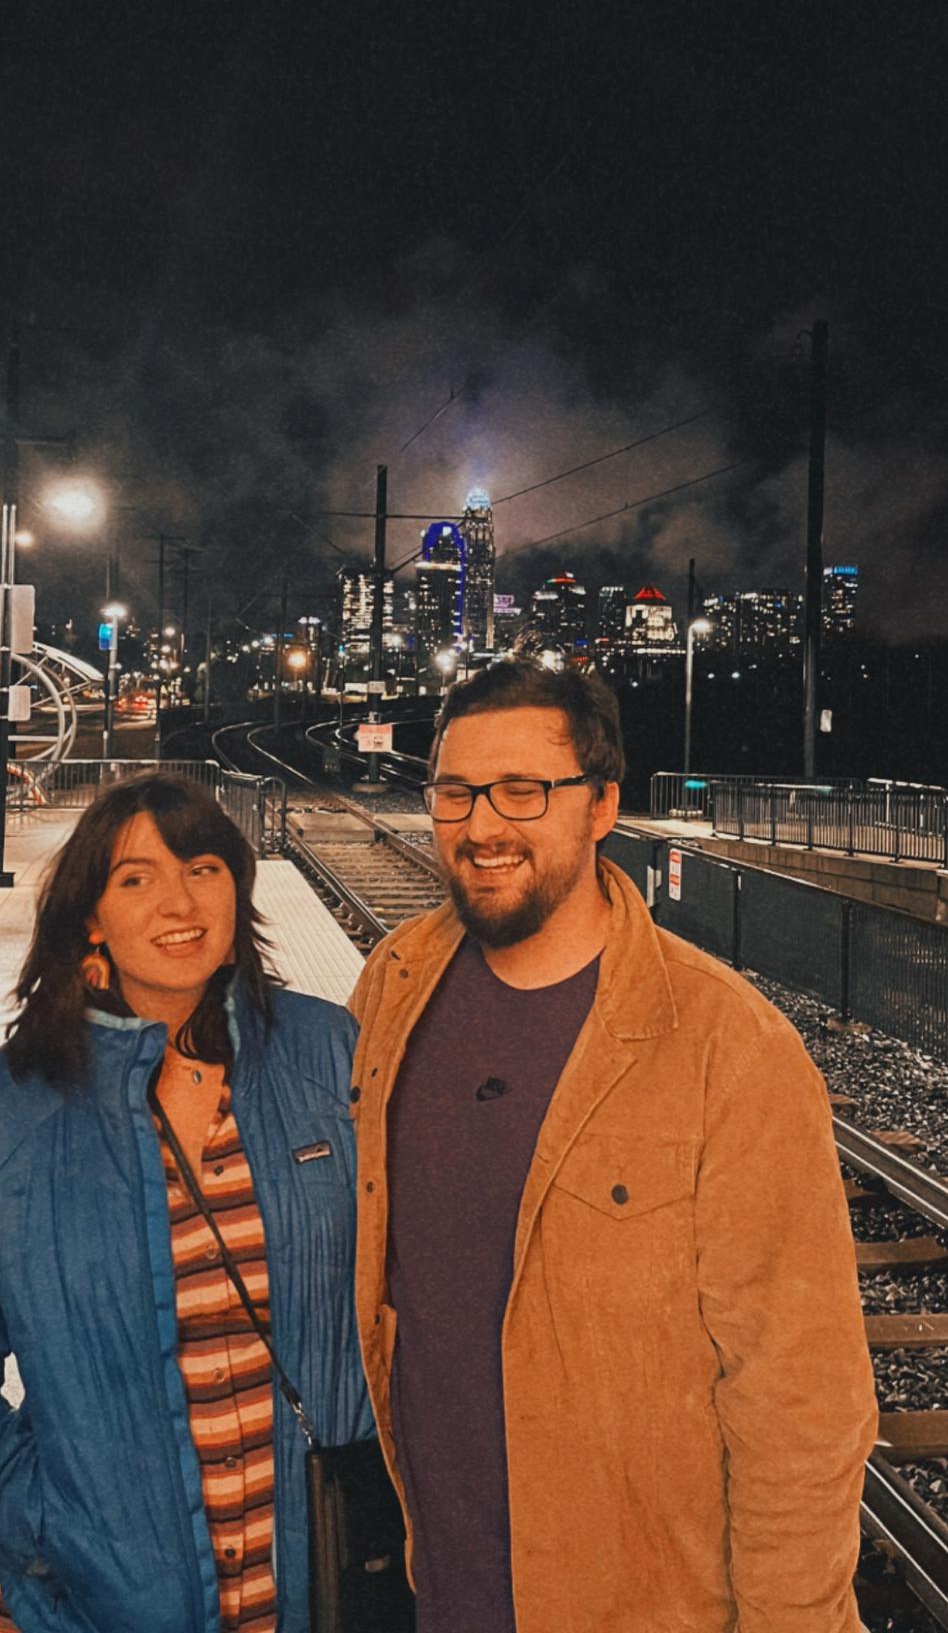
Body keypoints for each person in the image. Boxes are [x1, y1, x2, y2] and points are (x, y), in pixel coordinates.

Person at [348, 658, 879, 1633]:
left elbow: (801, 1401)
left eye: (523, 789)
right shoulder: (397, 981)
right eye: (456, 791)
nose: (482, 824)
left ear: (600, 805)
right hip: (445, 1588)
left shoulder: (728, 1046)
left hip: (644, 1603)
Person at [0, 771, 373, 1633]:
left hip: (318, 1588)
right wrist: (50, 1523)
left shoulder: (329, 1055)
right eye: (136, 878)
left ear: (237, 888)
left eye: (203, 869)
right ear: (91, 918)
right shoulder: (11, 1107)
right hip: (98, 1604)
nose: (179, 902)